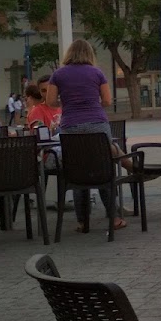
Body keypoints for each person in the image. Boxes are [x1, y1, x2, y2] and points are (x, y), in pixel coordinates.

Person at [48, 39, 124, 233]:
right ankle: (114, 218)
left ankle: (82, 222)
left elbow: (50, 101)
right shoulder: (97, 73)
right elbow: (107, 100)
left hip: (70, 125)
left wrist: (69, 102)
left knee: (77, 170)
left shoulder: (58, 74)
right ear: (90, 54)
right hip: (97, 125)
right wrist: (89, 100)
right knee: (103, 168)